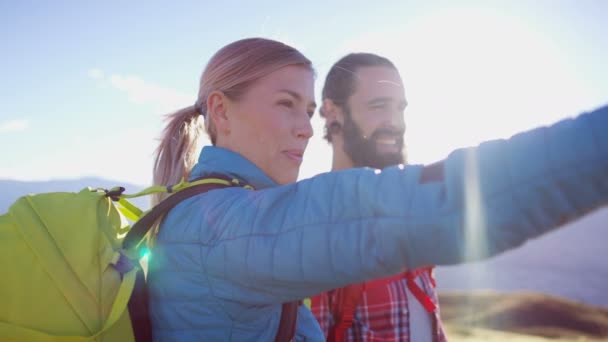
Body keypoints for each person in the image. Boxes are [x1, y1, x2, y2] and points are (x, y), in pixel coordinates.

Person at [146, 37, 608, 341]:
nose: (305, 129)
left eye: (307, 109)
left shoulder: (204, 211)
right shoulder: (225, 227)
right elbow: (429, 210)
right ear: (221, 112)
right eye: (286, 104)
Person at [309, 53, 447, 341]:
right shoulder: (314, 224)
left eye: (400, 108)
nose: (395, 122)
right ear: (333, 112)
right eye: (378, 106)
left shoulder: (408, 213)